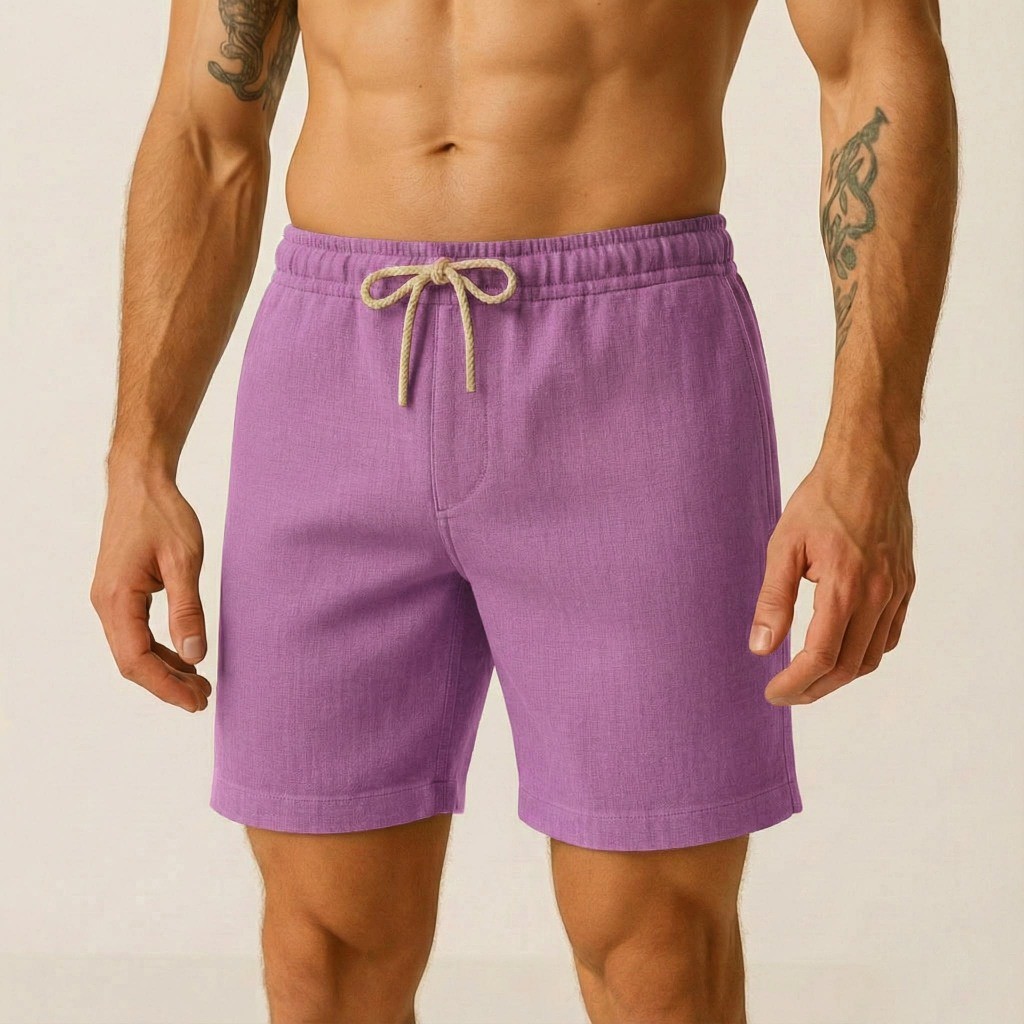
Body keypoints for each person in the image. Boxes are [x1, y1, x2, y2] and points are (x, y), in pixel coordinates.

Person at [89, 0, 957, 1020]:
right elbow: (207, 133)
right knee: (323, 952)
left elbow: (875, 59)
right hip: (332, 369)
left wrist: (871, 454)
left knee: (657, 953)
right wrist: (139, 457)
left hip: (630, 373)